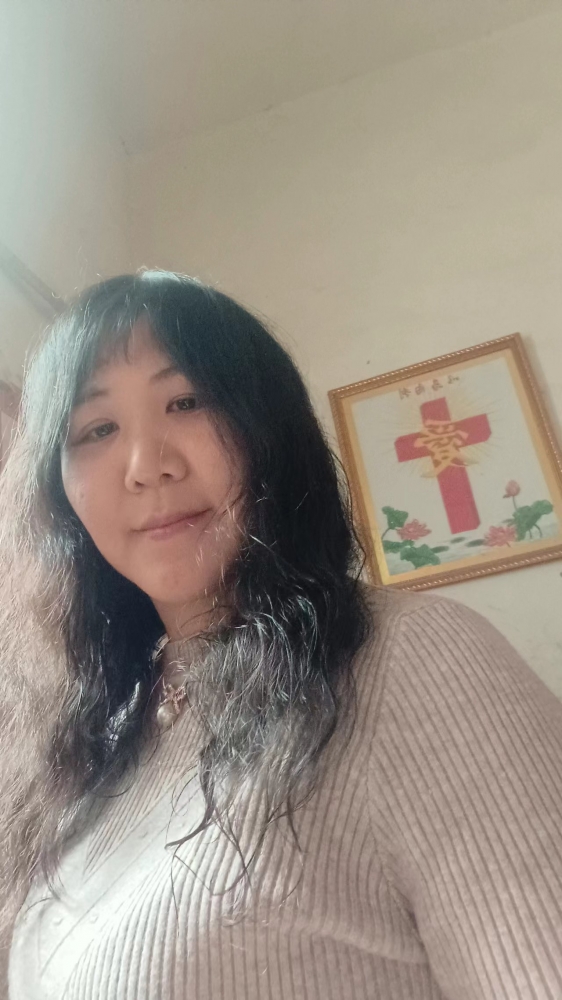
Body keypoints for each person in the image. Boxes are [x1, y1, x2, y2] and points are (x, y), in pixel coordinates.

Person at [2, 270, 562, 1000]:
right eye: (96, 429)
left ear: (268, 429)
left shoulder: (414, 660)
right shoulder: (104, 728)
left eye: (187, 401)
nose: (145, 467)